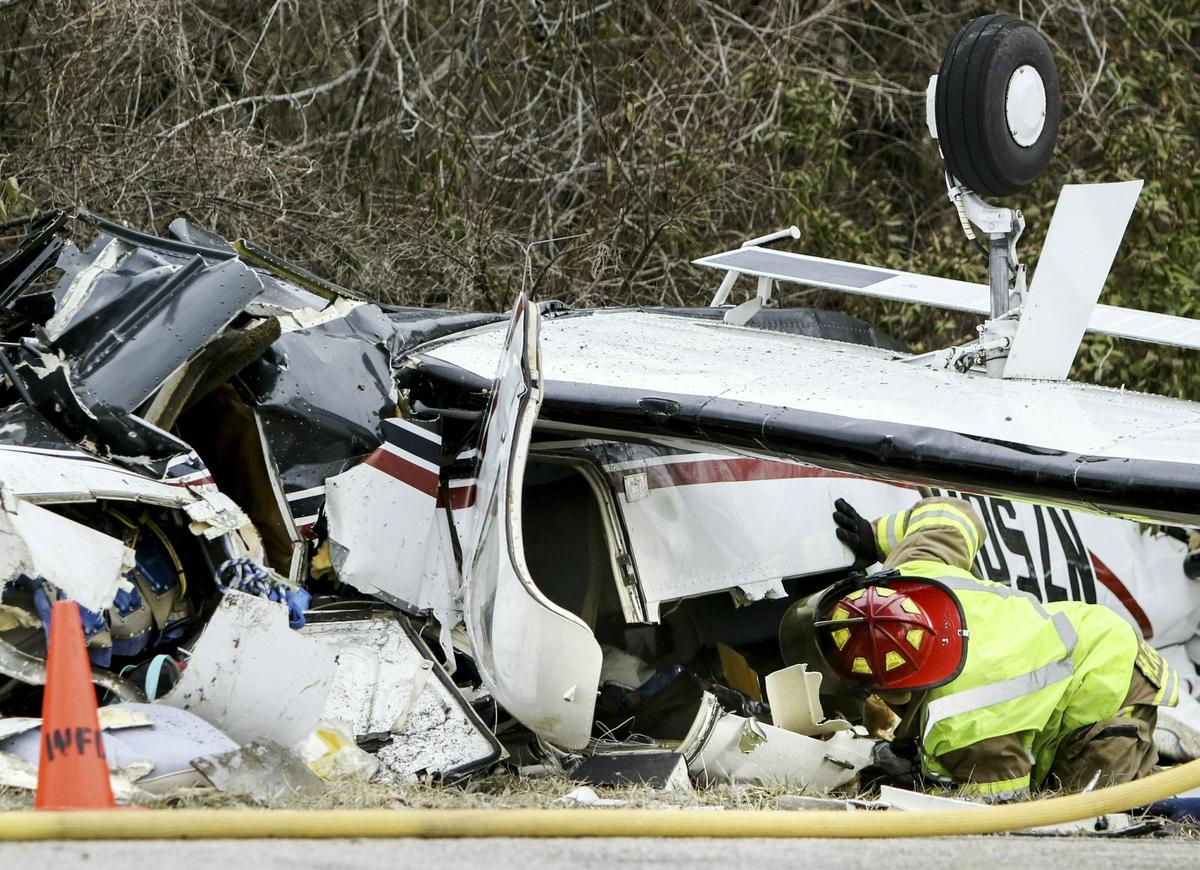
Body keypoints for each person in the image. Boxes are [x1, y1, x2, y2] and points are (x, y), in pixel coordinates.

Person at [778, 496, 1179, 799]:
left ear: (882, 689)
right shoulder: (912, 571)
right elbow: (952, 513)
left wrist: (927, 783)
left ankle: (1141, 759)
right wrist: (876, 536)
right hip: (1085, 635)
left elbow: (1003, 805)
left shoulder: (962, 723)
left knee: (1079, 822)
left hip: (1112, 683)